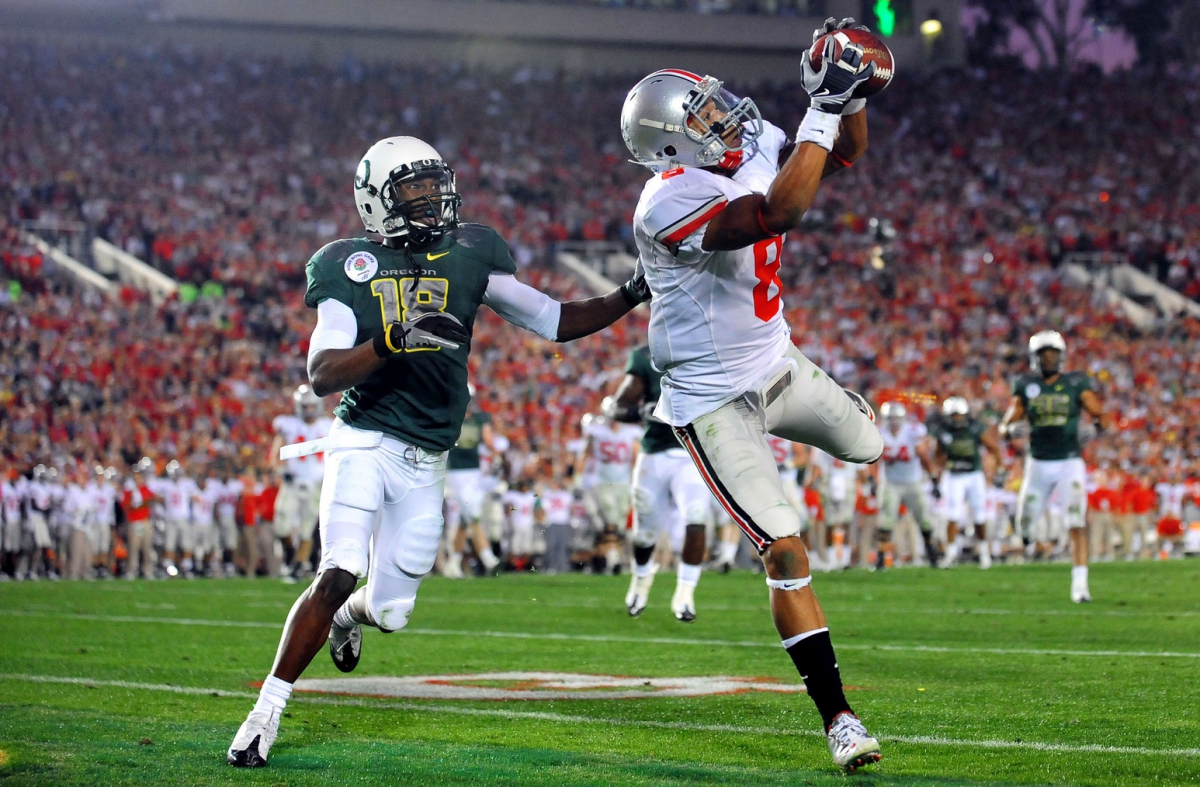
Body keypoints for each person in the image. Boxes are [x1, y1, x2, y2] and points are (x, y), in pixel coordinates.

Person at [227, 135, 647, 767]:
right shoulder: (347, 262)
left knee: (391, 613)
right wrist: (394, 339)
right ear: (376, 202)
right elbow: (323, 373)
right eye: (412, 191)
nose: (430, 201)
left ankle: (347, 617)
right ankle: (265, 715)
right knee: (338, 566)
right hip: (364, 436)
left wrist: (631, 292)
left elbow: (554, 319)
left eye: (433, 186)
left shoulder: (471, 250)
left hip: (427, 455)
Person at [618, 17, 882, 771]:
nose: (721, 113)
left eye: (710, 101)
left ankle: (827, 415)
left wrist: (850, 89)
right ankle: (838, 717)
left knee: (871, 445)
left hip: (779, 362)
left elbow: (848, 154)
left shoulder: (750, 136)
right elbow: (778, 211)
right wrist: (822, 107)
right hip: (711, 399)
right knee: (785, 548)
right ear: (671, 146)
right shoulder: (666, 201)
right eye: (699, 115)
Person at [608, 345, 714, 621]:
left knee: (696, 516)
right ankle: (640, 583)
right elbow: (619, 406)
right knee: (644, 534)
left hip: (693, 451)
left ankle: (685, 594)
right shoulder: (645, 356)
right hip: (654, 453)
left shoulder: (708, 349)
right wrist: (641, 412)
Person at [1001, 330, 1107, 602]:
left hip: (1069, 461)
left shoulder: (1075, 383)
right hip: (1038, 463)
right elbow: (1006, 423)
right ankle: (1029, 543)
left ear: (1061, 356)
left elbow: (1101, 415)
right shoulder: (1026, 384)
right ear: (1034, 358)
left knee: (1075, 518)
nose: (1049, 359)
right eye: (1043, 354)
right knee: (1025, 525)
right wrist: (1011, 429)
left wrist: (1095, 429)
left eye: (1053, 354)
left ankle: (1080, 585)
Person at [930, 397, 1003, 569]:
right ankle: (951, 552)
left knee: (979, 515)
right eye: (954, 415)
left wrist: (999, 470)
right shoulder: (944, 432)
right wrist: (938, 474)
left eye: (959, 415)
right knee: (953, 514)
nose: (957, 419)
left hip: (974, 475)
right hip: (954, 475)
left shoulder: (975, 428)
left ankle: (984, 552)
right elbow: (938, 456)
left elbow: (994, 448)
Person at [271, 385, 332, 579]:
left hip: (317, 483)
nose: (309, 410)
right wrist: (280, 469)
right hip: (293, 481)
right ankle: (290, 554)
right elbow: (275, 452)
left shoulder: (329, 425)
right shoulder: (287, 424)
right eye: (305, 406)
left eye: (312, 406)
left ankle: (298, 565)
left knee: (307, 528)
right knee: (281, 525)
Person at [875, 402, 938, 569]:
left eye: (897, 418)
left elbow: (923, 455)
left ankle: (932, 555)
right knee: (885, 523)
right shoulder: (878, 432)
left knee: (924, 520)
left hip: (912, 481)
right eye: (891, 418)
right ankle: (880, 559)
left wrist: (933, 478)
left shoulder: (912, 432)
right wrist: (871, 481)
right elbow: (872, 459)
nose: (894, 422)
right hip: (890, 482)